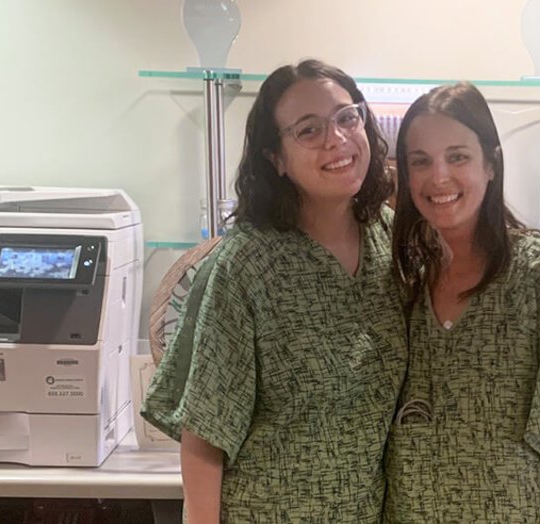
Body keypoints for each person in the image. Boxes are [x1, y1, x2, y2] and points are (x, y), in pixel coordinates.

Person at [141, 59, 407, 522]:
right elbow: (205, 435)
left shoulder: (389, 239)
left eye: (348, 116)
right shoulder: (247, 265)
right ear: (275, 158)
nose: (337, 138)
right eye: (308, 130)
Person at [386, 82, 540, 524]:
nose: (439, 177)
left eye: (458, 156)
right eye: (421, 161)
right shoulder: (406, 277)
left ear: (491, 163)